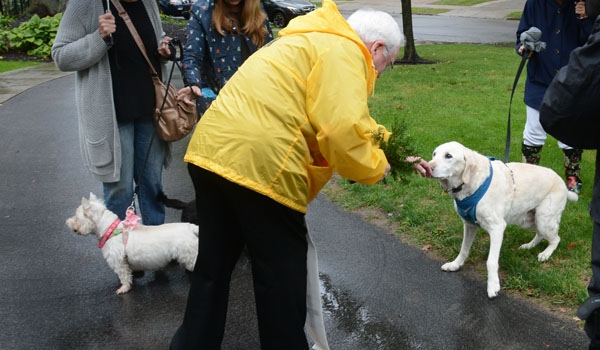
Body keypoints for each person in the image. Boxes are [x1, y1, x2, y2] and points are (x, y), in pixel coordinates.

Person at [169, 1, 432, 348]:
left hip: (212, 153)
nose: (383, 72)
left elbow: (349, 120)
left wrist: (392, 147)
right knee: (281, 283)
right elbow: (340, 130)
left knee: (211, 272)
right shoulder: (345, 51)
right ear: (377, 47)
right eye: (389, 64)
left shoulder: (311, 38)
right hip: (261, 166)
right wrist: (375, 167)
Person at [52, 0, 174, 225]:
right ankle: (120, 249)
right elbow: (61, 56)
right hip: (112, 116)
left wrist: (164, 49)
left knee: (152, 184)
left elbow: (156, 39)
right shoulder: (85, 4)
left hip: (151, 110)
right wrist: (99, 38)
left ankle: (155, 250)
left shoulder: (147, 3)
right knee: (119, 189)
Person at [539, 12, 600, 350]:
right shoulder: (539, 6)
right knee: (532, 135)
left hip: (566, 82)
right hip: (543, 78)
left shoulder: (585, 18)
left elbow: (566, 107)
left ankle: (570, 181)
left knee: (567, 143)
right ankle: (527, 175)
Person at [516, 0, 593, 194]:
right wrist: (524, 48)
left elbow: (591, 42)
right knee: (533, 130)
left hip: (571, 79)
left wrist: (585, 18)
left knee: (570, 132)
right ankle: (529, 178)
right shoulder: (534, 3)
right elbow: (521, 35)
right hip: (539, 78)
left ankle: (573, 177)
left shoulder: (582, 5)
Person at [176, 0, 273, 116]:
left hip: (255, 102)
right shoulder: (202, 10)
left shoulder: (258, 10)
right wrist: (193, 83)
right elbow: (192, 54)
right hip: (217, 103)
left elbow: (271, 56)